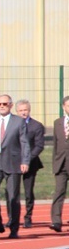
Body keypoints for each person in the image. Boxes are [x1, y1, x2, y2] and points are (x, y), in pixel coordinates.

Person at [0, 94, 30, 239]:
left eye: (4, 104)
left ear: (10, 105)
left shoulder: (18, 122)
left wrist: (25, 161)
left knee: (12, 197)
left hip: (13, 161)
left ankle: (14, 227)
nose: (2, 106)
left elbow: (24, 142)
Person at [15, 100, 44, 228]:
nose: (23, 113)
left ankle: (28, 216)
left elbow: (39, 146)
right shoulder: (13, 125)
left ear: (29, 110)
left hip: (31, 163)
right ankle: (13, 217)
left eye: (25, 110)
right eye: (21, 110)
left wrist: (26, 160)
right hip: (14, 163)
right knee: (12, 191)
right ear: (17, 112)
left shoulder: (36, 126)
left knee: (28, 191)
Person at [49, 96, 69, 232]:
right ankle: (56, 221)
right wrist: (55, 163)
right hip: (61, 164)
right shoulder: (57, 123)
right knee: (59, 192)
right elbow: (55, 145)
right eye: (68, 105)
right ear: (63, 107)